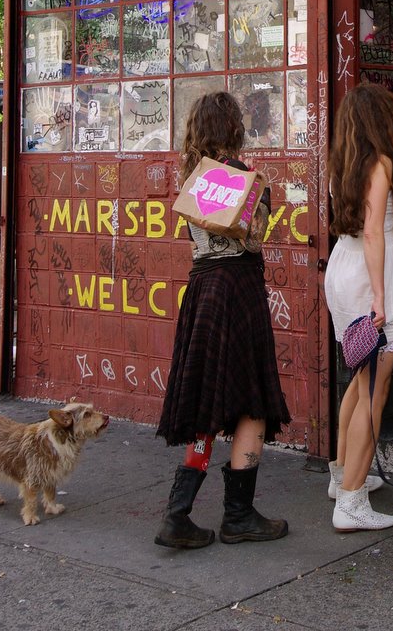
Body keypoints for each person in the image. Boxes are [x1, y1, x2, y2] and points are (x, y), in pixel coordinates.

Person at [155, 91, 290, 549]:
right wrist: (261, 201)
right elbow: (254, 241)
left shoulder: (191, 179)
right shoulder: (249, 180)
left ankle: (177, 515)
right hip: (239, 291)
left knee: (205, 400)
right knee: (253, 400)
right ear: (235, 128)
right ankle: (239, 515)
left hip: (202, 290)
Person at [324, 83, 393, 531]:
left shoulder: (343, 166)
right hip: (372, 274)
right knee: (375, 391)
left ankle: (342, 475)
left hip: (343, 269)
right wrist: (381, 296)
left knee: (360, 379)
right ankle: (351, 501)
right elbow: (373, 233)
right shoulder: (382, 164)